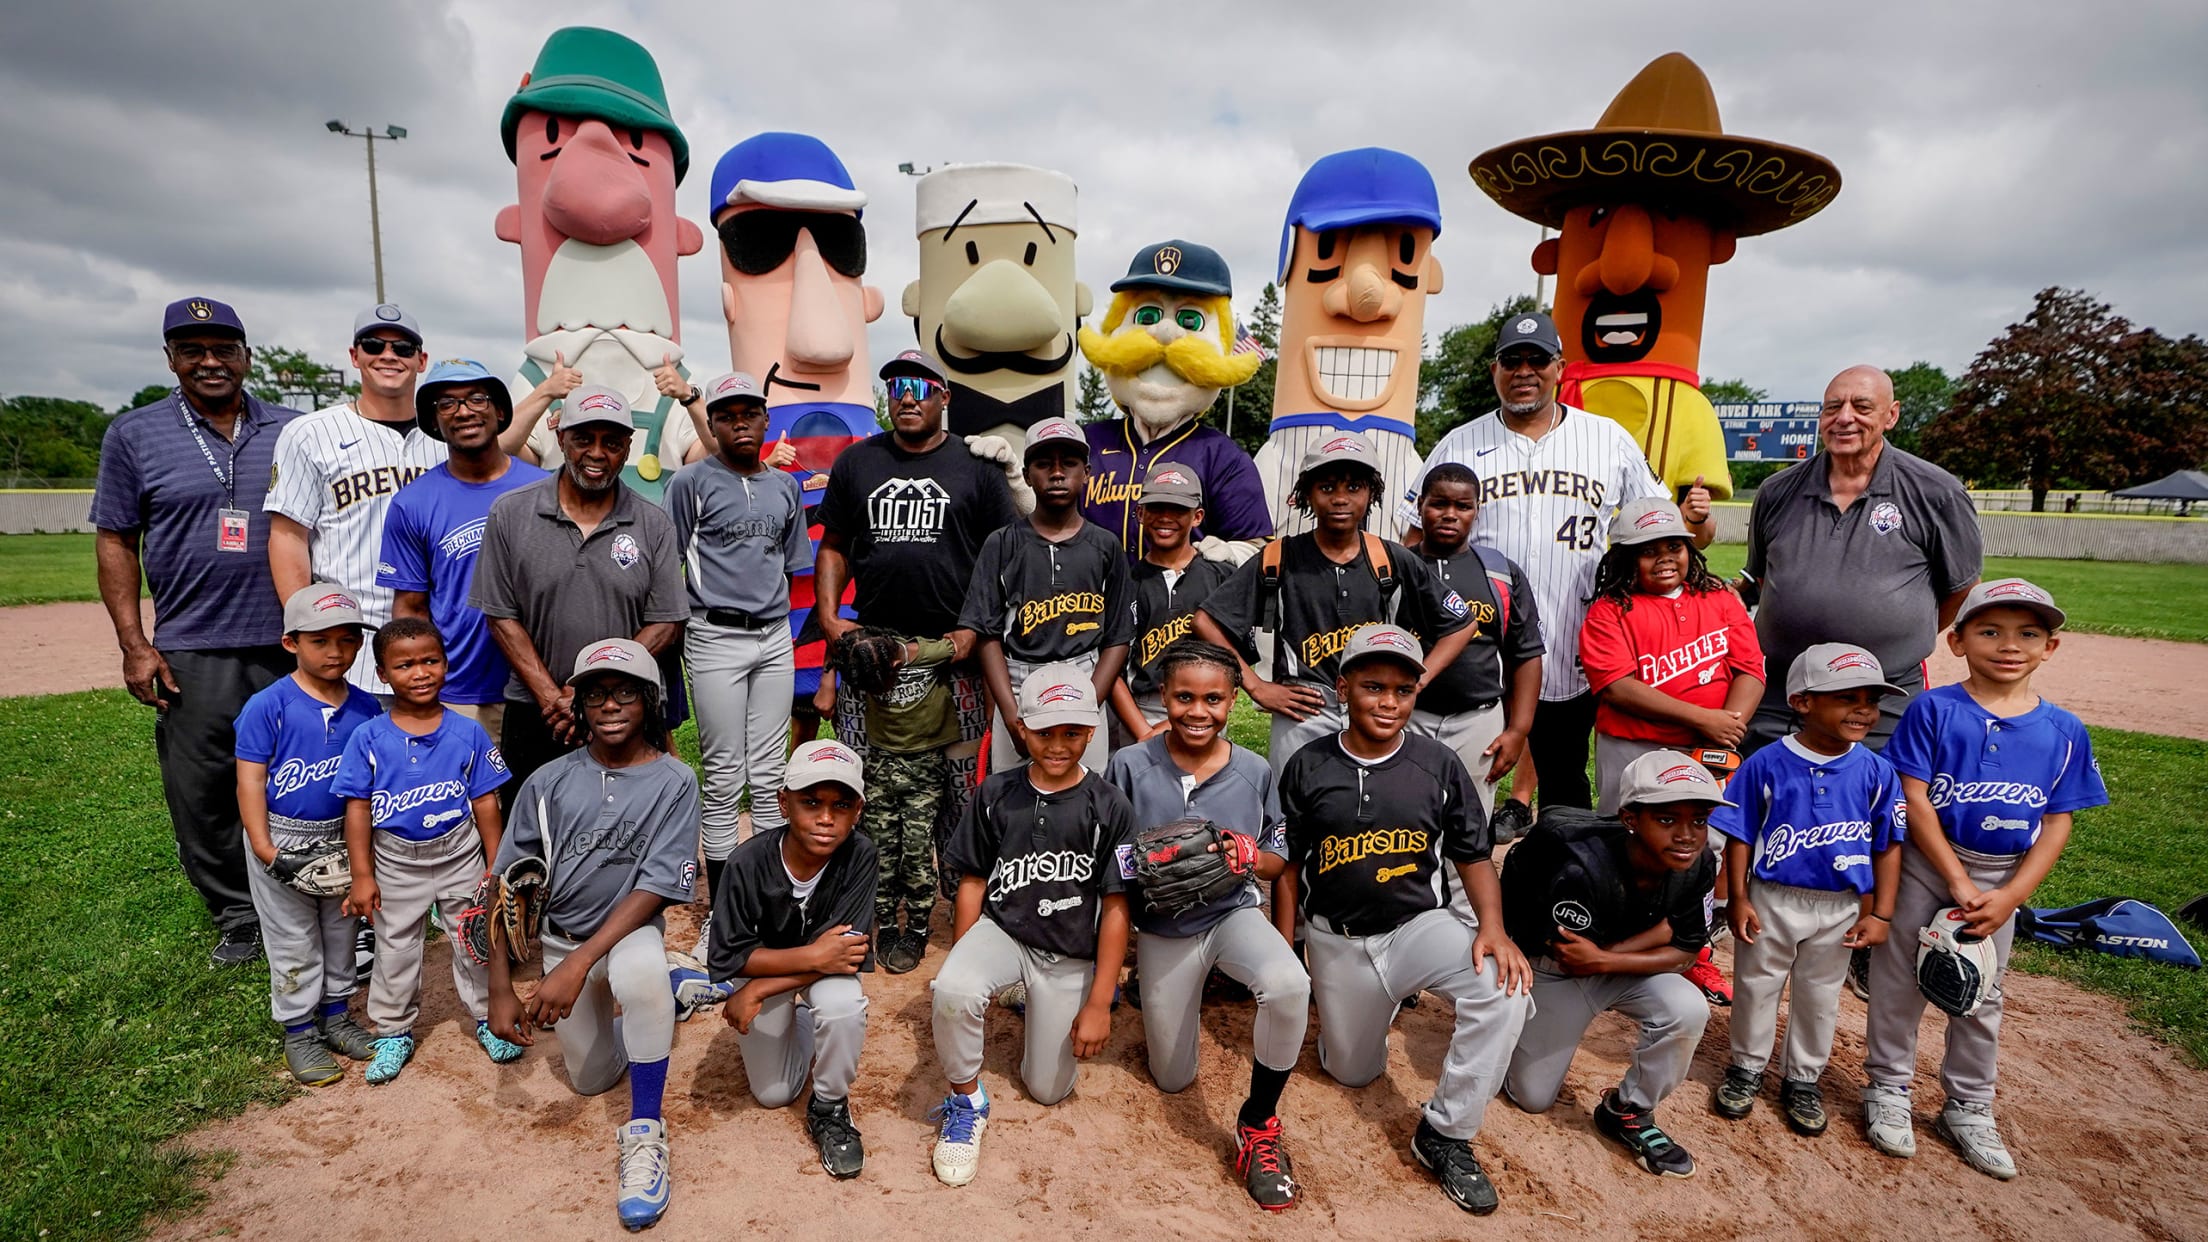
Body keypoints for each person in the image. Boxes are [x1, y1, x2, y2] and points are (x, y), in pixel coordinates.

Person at [1406, 312, 1711, 826]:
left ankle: (1560, 881)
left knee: (1566, 775)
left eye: (1537, 360)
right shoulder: (1458, 443)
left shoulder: (1607, 438)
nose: (1524, 371)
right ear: (1494, 369)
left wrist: (1696, 523)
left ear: (1559, 368)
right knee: (1455, 770)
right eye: (1512, 361)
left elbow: (1668, 530)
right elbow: (1414, 537)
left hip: (1576, 632)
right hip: (1479, 639)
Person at [1274, 625, 1533, 1216]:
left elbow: (1471, 854)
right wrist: (1288, 944)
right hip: (1337, 941)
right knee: (1351, 1073)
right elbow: (1287, 867)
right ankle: (1367, 1017)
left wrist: (1491, 927)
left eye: (1403, 689)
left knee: (1503, 987)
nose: (1389, 702)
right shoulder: (1309, 765)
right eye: (1372, 686)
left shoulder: (1437, 764)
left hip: (1419, 929)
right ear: (1343, 689)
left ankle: (1445, 1133)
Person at [1862, 580, 2107, 1181]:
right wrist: (1956, 878)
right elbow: (1913, 800)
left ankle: (1968, 1106)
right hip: (1928, 863)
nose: (2009, 645)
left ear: (2050, 647)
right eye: (1990, 630)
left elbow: (2056, 821)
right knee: (1898, 983)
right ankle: (1889, 1088)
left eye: (2029, 633)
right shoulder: (1935, 709)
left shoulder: (2064, 730)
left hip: (2002, 878)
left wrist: (2011, 898)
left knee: (1981, 993)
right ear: (1958, 639)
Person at [91, 296, 304, 966]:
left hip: (292, 639)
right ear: (171, 359)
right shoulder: (135, 435)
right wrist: (134, 644)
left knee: (301, 777)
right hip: (194, 642)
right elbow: (116, 539)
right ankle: (238, 913)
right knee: (204, 785)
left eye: (223, 348)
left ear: (245, 354)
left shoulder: (297, 429)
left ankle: (308, 895)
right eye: (192, 350)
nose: (210, 361)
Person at [484, 638, 702, 1231]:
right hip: (563, 942)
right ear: (576, 705)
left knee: (640, 972)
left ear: (650, 702)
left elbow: (657, 885)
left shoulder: (675, 780)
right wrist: (498, 989)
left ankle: (646, 1135)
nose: (610, 704)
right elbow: (504, 887)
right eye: (595, 693)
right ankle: (667, 994)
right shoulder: (547, 782)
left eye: (625, 691)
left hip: (622, 938)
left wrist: (576, 966)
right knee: (587, 1080)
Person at [1104, 640, 1310, 1211]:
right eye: (1184, 697)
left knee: (1290, 984)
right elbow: (1110, 859)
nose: (1199, 710)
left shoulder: (1254, 769)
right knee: (1172, 1077)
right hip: (1164, 927)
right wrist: (1145, 866)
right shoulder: (1128, 764)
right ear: (1163, 698)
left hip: (1230, 913)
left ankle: (1259, 1122)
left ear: (1233, 700)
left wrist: (1250, 855)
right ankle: (1158, 989)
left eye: (1214, 699)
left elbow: (1276, 856)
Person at [927, 670, 1136, 1187]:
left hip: (1068, 951)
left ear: (1091, 732)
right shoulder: (997, 792)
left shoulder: (1109, 804)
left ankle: (1037, 1000)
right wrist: (963, 957)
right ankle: (965, 1101)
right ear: (1021, 730)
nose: (1058, 744)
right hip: (1006, 931)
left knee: (1047, 1087)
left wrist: (1098, 1002)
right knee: (953, 991)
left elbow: (1116, 907)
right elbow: (973, 882)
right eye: (1045, 732)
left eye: (1071, 732)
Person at [813, 349, 1018, 857]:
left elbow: (1002, 559)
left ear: (944, 398)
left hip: (956, 650)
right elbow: (834, 544)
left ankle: (959, 887)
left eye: (922, 388)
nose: (907, 396)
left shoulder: (977, 467)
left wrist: (977, 629)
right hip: (872, 648)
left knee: (963, 780)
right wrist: (831, 620)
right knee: (862, 776)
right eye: (898, 385)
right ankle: (865, 889)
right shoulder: (858, 461)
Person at [1710, 643, 1905, 1137]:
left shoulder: (1876, 771)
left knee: (1820, 996)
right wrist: (1738, 898)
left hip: (1839, 905)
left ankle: (1802, 1078)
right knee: (1757, 988)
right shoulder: (1766, 763)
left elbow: (1887, 845)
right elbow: (1738, 835)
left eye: (1870, 699)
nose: (1862, 710)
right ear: (1801, 701)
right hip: (1773, 895)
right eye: (1845, 697)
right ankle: (1747, 1067)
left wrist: (1880, 913)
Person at [1500, 750, 1723, 1180]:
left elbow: (1687, 947)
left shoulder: (1699, 863)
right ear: (1629, 819)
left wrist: (1609, 957)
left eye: (1699, 819)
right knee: (1531, 1097)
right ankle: (1510, 1024)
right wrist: (1655, 936)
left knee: (1688, 1008)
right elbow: (1570, 957)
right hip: (1556, 969)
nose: (1687, 835)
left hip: (1614, 964)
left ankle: (1628, 1110)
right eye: (1666, 819)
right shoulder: (1579, 864)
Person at [1739, 364, 1983, 752]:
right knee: (1769, 796)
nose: (1845, 417)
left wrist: (1902, 635)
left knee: (1874, 800)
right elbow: (1762, 581)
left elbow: (1962, 588)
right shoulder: (1777, 490)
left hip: (1882, 696)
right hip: (1782, 691)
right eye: (1833, 407)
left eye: (1862, 407)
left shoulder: (1937, 491)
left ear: (1892, 414)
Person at [1194, 433, 1471, 774]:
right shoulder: (1279, 557)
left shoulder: (1390, 558)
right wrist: (1255, 685)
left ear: (1371, 493)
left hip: (1371, 704)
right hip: (1304, 708)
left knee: (1367, 806)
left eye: (1354, 487)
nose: (1340, 499)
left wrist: (1417, 680)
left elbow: (1461, 623)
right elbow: (1206, 620)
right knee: (1293, 814)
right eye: (1326, 488)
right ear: (1306, 494)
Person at [471, 385, 687, 789]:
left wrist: (593, 689)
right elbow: (501, 616)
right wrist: (555, 697)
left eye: (612, 442)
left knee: (630, 834)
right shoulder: (511, 513)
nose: (597, 453)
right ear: (561, 440)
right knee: (534, 835)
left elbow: (666, 624)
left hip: (628, 711)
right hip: (537, 710)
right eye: (583, 439)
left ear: (628, 447)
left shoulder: (653, 522)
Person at [334, 618, 517, 1083]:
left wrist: (495, 867)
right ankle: (393, 1031)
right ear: (382, 674)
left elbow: (485, 802)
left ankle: (486, 1016)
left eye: (430, 661)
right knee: (395, 947)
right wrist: (362, 875)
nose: (420, 672)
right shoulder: (369, 737)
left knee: (474, 939)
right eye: (405, 664)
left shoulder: (467, 731)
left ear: (446, 664)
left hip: (460, 853)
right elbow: (357, 810)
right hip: (396, 859)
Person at [663, 372, 811, 898]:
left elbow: (791, 569)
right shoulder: (691, 483)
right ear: (712, 422)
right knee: (724, 773)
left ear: (766, 420)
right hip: (714, 633)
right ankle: (726, 898)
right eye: (726, 415)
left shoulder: (784, 486)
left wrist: (782, 631)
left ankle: (767, 891)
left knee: (772, 775)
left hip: (771, 637)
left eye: (749, 413)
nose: (739, 422)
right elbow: (668, 563)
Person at [705, 740, 877, 1180]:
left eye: (841, 804)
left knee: (842, 1004)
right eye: (810, 802)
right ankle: (800, 1023)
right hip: (774, 966)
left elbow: (847, 956)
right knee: (774, 1092)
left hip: (783, 975)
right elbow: (731, 958)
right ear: (784, 803)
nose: (825, 817)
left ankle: (830, 1105)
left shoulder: (860, 854)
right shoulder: (745, 862)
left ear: (857, 810)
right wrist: (813, 955)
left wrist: (760, 990)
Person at [233, 586, 385, 1084]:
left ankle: (337, 1017)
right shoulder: (268, 705)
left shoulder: (366, 708)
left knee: (342, 933)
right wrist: (264, 847)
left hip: (343, 839)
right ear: (290, 642)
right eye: (320, 641)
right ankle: (299, 1030)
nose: (336, 652)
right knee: (293, 939)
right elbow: (250, 779)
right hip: (281, 836)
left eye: (346, 640)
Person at [265, 303, 445, 694]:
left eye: (403, 348)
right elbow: (288, 536)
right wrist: (308, 628)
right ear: (354, 355)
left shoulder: (450, 437)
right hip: (348, 639)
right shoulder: (310, 432)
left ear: (421, 360)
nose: (388, 355)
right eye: (373, 344)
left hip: (439, 641)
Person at [378, 358, 549, 742]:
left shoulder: (546, 489)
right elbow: (410, 607)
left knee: (542, 800)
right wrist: (419, 687)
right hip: (460, 692)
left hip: (542, 686)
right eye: (447, 404)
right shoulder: (413, 503)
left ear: (500, 410)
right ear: (434, 421)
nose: (464, 411)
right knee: (471, 802)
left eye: (477, 398)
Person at [1074, 239, 1272, 561]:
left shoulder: (1221, 456)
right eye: (1147, 315)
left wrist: (1230, 554)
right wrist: (1013, 482)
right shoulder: (1087, 442)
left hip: (1181, 609)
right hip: (1092, 606)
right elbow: (1044, 516)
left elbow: (1256, 543)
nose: (1165, 333)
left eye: (1190, 321)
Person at [959, 418, 1133, 773]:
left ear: (1085, 472)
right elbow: (987, 634)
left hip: (1084, 674)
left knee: (1084, 801)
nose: (1057, 473)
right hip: (1020, 682)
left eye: (1068, 463)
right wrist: (1010, 715)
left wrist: (1088, 707)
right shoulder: (1003, 543)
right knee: (1013, 803)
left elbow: (1118, 637)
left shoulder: (1104, 545)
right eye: (1044, 463)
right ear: (1026, 473)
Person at [1579, 498, 1764, 813]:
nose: (1664, 559)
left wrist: (1727, 729)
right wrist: (1704, 719)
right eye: (1648, 551)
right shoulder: (1608, 611)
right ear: (1625, 559)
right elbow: (1618, 687)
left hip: (1709, 746)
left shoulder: (1718, 597)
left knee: (1707, 837)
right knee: (1626, 834)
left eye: (1674, 547)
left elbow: (1751, 669)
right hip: (1634, 746)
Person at [1403, 463, 1544, 838]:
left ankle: (1463, 901)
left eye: (1463, 506)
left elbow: (1527, 654)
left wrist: (1518, 729)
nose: (1450, 514)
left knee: (1468, 827)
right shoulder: (1398, 567)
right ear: (1420, 506)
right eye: (1439, 504)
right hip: (1409, 714)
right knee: (1406, 820)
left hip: (1477, 719)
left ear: (1477, 510)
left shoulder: (1499, 573)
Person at [823, 627, 961, 974]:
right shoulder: (861, 656)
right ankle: (885, 926)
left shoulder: (926, 653)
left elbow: (960, 644)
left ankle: (916, 927)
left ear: (897, 663)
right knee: (880, 852)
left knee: (916, 853)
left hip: (925, 770)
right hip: (880, 765)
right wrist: (827, 679)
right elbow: (836, 646)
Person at [1107, 462, 1236, 749]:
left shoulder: (1222, 575)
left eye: (1178, 509)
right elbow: (1112, 667)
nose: (1166, 517)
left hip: (1207, 710)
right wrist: (1143, 731)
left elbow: (1234, 661)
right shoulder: (1126, 582)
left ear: (1197, 516)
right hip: (1141, 710)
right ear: (1140, 513)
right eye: (1156, 507)